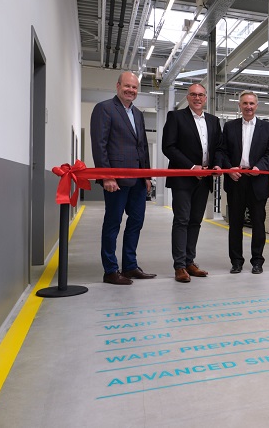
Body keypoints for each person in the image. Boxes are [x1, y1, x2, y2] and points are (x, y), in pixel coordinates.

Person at [90, 71, 154, 285]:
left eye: (135, 87)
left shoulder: (138, 114)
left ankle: (130, 266)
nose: (131, 90)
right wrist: (107, 176)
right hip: (116, 179)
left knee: (136, 222)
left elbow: (142, 146)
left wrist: (147, 175)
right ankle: (110, 270)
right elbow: (99, 145)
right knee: (113, 223)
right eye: (127, 86)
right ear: (118, 86)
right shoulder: (104, 109)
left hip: (137, 179)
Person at [162, 84, 224, 283]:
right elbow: (168, 147)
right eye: (193, 95)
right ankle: (179, 266)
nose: (197, 98)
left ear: (205, 98)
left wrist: (216, 165)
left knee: (195, 221)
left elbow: (219, 148)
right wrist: (191, 167)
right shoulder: (176, 117)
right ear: (187, 97)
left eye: (201, 95)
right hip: (183, 178)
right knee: (181, 220)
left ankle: (190, 261)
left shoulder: (214, 121)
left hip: (204, 179)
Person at [221, 91, 269, 274]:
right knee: (235, 224)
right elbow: (222, 151)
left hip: (257, 180)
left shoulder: (268, 128)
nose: (248, 107)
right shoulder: (229, 127)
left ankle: (257, 261)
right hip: (235, 180)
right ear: (239, 105)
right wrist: (230, 169)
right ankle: (236, 261)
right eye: (245, 103)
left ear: (257, 105)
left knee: (258, 223)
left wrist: (259, 167)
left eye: (251, 103)